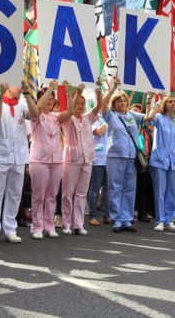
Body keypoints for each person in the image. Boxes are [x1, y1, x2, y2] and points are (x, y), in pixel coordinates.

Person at [0, 81, 38, 244]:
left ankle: (10, 228)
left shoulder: (22, 103)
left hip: (19, 156)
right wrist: (0, 95)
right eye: (17, 85)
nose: (20, 87)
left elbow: (35, 114)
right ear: (8, 86)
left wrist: (28, 94)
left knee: (14, 194)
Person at [101, 78, 144, 233]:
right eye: (118, 101)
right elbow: (102, 104)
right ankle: (116, 219)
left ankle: (127, 219)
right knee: (115, 187)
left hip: (131, 156)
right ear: (114, 103)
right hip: (115, 156)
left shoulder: (132, 116)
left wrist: (153, 99)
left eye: (124, 100)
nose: (122, 103)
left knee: (129, 188)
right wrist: (113, 89)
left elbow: (150, 117)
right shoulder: (110, 115)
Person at [28, 81, 69, 239]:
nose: (50, 102)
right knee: (39, 195)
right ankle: (37, 226)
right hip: (39, 160)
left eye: (52, 99)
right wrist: (50, 88)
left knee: (52, 195)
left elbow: (70, 112)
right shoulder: (35, 116)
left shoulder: (55, 117)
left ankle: (49, 225)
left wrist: (71, 93)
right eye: (47, 99)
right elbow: (37, 109)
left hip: (56, 161)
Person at [61, 82, 103, 236]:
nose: (80, 106)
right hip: (72, 159)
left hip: (87, 158)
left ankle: (78, 224)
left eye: (82, 103)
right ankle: (66, 223)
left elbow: (99, 105)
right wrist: (76, 92)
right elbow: (70, 110)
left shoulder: (88, 118)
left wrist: (98, 88)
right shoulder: (67, 118)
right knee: (68, 193)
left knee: (81, 193)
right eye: (78, 103)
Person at [146, 94, 175, 231]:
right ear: (165, 104)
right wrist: (158, 101)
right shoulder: (159, 118)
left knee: (171, 191)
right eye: (170, 102)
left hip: (174, 159)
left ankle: (169, 220)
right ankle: (160, 220)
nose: (173, 104)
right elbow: (150, 117)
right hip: (159, 159)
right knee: (160, 191)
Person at [87, 117, 108, 226]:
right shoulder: (95, 118)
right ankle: (93, 215)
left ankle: (107, 215)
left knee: (108, 188)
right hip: (98, 158)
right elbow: (99, 132)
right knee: (95, 187)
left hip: (110, 158)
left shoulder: (113, 117)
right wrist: (108, 122)